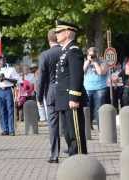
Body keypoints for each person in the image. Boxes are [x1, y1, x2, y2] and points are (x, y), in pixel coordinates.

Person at [54, 20, 87, 155]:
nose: (56, 34)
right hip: (63, 98)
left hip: (70, 98)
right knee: (68, 133)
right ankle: (74, 159)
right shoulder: (65, 51)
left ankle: (80, 161)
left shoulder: (74, 50)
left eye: (59, 31)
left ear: (67, 33)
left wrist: (74, 97)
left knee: (75, 134)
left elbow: (76, 76)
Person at [37, 29, 62, 163]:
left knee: (53, 125)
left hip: (51, 92)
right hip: (66, 92)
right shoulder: (66, 52)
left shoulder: (45, 55)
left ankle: (54, 154)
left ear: (48, 40)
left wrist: (39, 97)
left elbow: (41, 78)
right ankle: (73, 151)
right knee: (68, 123)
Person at [0, 55, 19, 136]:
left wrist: (6, 78)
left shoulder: (11, 69)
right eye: (0, 60)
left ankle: (11, 130)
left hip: (8, 90)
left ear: (5, 60)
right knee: (2, 111)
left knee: (10, 110)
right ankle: (4, 129)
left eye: (3, 60)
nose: (2, 62)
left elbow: (16, 80)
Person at [83, 47, 109, 129]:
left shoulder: (103, 61)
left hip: (100, 88)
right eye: (90, 54)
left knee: (99, 108)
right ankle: (88, 126)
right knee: (88, 108)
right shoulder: (86, 62)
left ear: (97, 54)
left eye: (94, 54)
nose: (92, 56)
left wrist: (95, 63)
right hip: (88, 88)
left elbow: (101, 72)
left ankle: (100, 126)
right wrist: (87, 62)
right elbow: (81, 71)